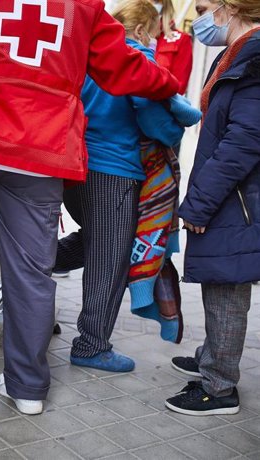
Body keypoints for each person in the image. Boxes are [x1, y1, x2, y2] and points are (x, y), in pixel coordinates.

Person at [0, 0, 180, 414]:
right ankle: (27, 389)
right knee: (30, 274)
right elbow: (126, 69)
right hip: (41, 155)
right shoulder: (84, 9)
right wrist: (169, 85)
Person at [52, 0, 190, 373]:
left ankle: (35, 260)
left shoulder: (85, 58)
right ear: (144, 30)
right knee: (111, 257)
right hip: (114, 170)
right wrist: (180, 127)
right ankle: (91, 345)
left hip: (73, 166)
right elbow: (158, 124)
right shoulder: (139, 59)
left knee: (101, 239)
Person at [165, 0, 260, 416]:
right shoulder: (239, 53)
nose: (202, 16)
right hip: (231, 194)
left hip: (235, 199)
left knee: (225, 286)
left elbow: (243, 143)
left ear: (231, 7)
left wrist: (200, 203)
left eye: (205, 6)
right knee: (221, 283)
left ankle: (220, 387)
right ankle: (211, 359)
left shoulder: (254, 62)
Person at [149, 0, 195, 94]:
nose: (149, 3)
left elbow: (178, 88)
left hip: (159, 106)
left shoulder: (181, 40)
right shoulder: (129, 36)